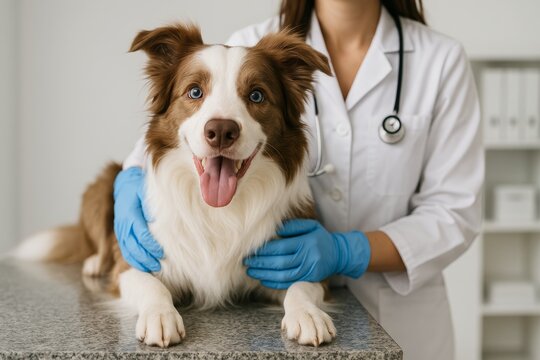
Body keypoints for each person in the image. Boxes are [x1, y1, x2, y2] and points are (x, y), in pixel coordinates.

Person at [112, 0, 484, 359]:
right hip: (272, 334)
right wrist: (125, 185)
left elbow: (455, 212)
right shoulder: (252, 41)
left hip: (401, 315)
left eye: (255, 95)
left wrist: (346, 251)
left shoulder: (441, 60)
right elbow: (173, 133)